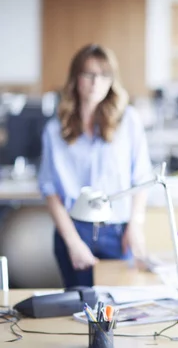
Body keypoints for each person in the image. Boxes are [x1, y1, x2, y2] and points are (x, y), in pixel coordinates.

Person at [38, 44, 152, 288]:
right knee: (79, 311)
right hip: (74, 230)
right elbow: (50, 192)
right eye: (89, 74)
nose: (96, 82)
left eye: (104, 75)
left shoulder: (128, 120)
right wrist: (73, 242)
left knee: (119, 312)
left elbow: (142, 178)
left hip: (118, 232)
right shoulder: (55, 130)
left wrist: (135, 225)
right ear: (76, 78)